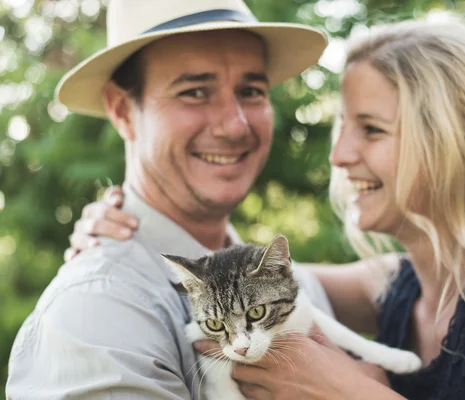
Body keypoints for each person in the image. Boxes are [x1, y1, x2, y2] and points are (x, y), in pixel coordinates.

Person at [68, 11, 465, 400]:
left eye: (371, 130)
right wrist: (125, 233)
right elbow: (243, 280)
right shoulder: (399, 283)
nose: (341, 156)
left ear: (452, 139)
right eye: (343, 128)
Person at [5, 0, 360, 398]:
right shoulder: (97, 312)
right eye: (194, 91)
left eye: (251, 90)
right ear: (123, 111)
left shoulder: (283, 281)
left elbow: (414, 276)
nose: (235, 124)